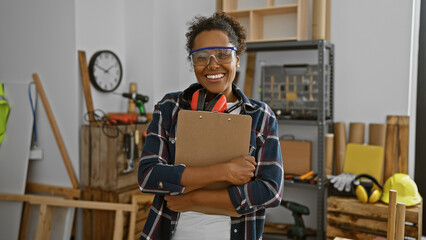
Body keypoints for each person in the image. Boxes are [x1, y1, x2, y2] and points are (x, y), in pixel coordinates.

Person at [138, 12, 283, 240]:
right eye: (201, 56)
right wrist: (225, 171)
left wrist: (193, 198)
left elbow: (270, 191)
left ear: (237, 58)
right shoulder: (170, 107)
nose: (212, 65)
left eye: (223, 54)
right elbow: (147, 176)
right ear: (192, 62)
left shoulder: (261, 116)